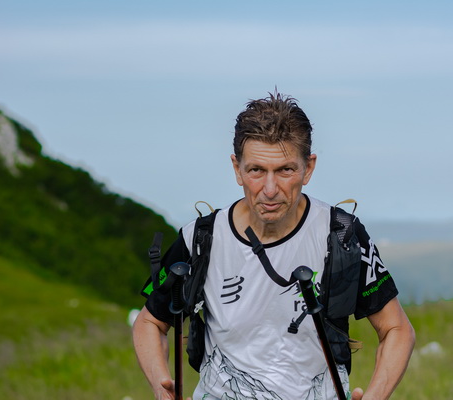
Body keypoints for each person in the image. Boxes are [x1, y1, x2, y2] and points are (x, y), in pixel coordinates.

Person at [133, 92, 415, 400]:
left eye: (285, 170)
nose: (270, 190)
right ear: (237, 168)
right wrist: (161, 386)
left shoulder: (341, 234)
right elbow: (150, 322)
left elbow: (397, 329)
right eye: (256, 170)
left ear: (308, 168)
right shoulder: (200, 239)